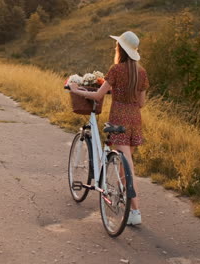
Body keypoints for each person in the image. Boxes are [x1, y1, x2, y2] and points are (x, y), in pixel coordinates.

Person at [69, 31, 149, 225]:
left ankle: (135, 212)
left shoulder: (116, 70)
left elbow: (97, 96)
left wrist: (75, 90)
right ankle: (130, 210)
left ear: (120, 49)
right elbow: (141, 102)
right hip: (135, 119)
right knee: (125, 163)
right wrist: (125, 95)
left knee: (127, 164)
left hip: (119, 118)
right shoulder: (141, 72)